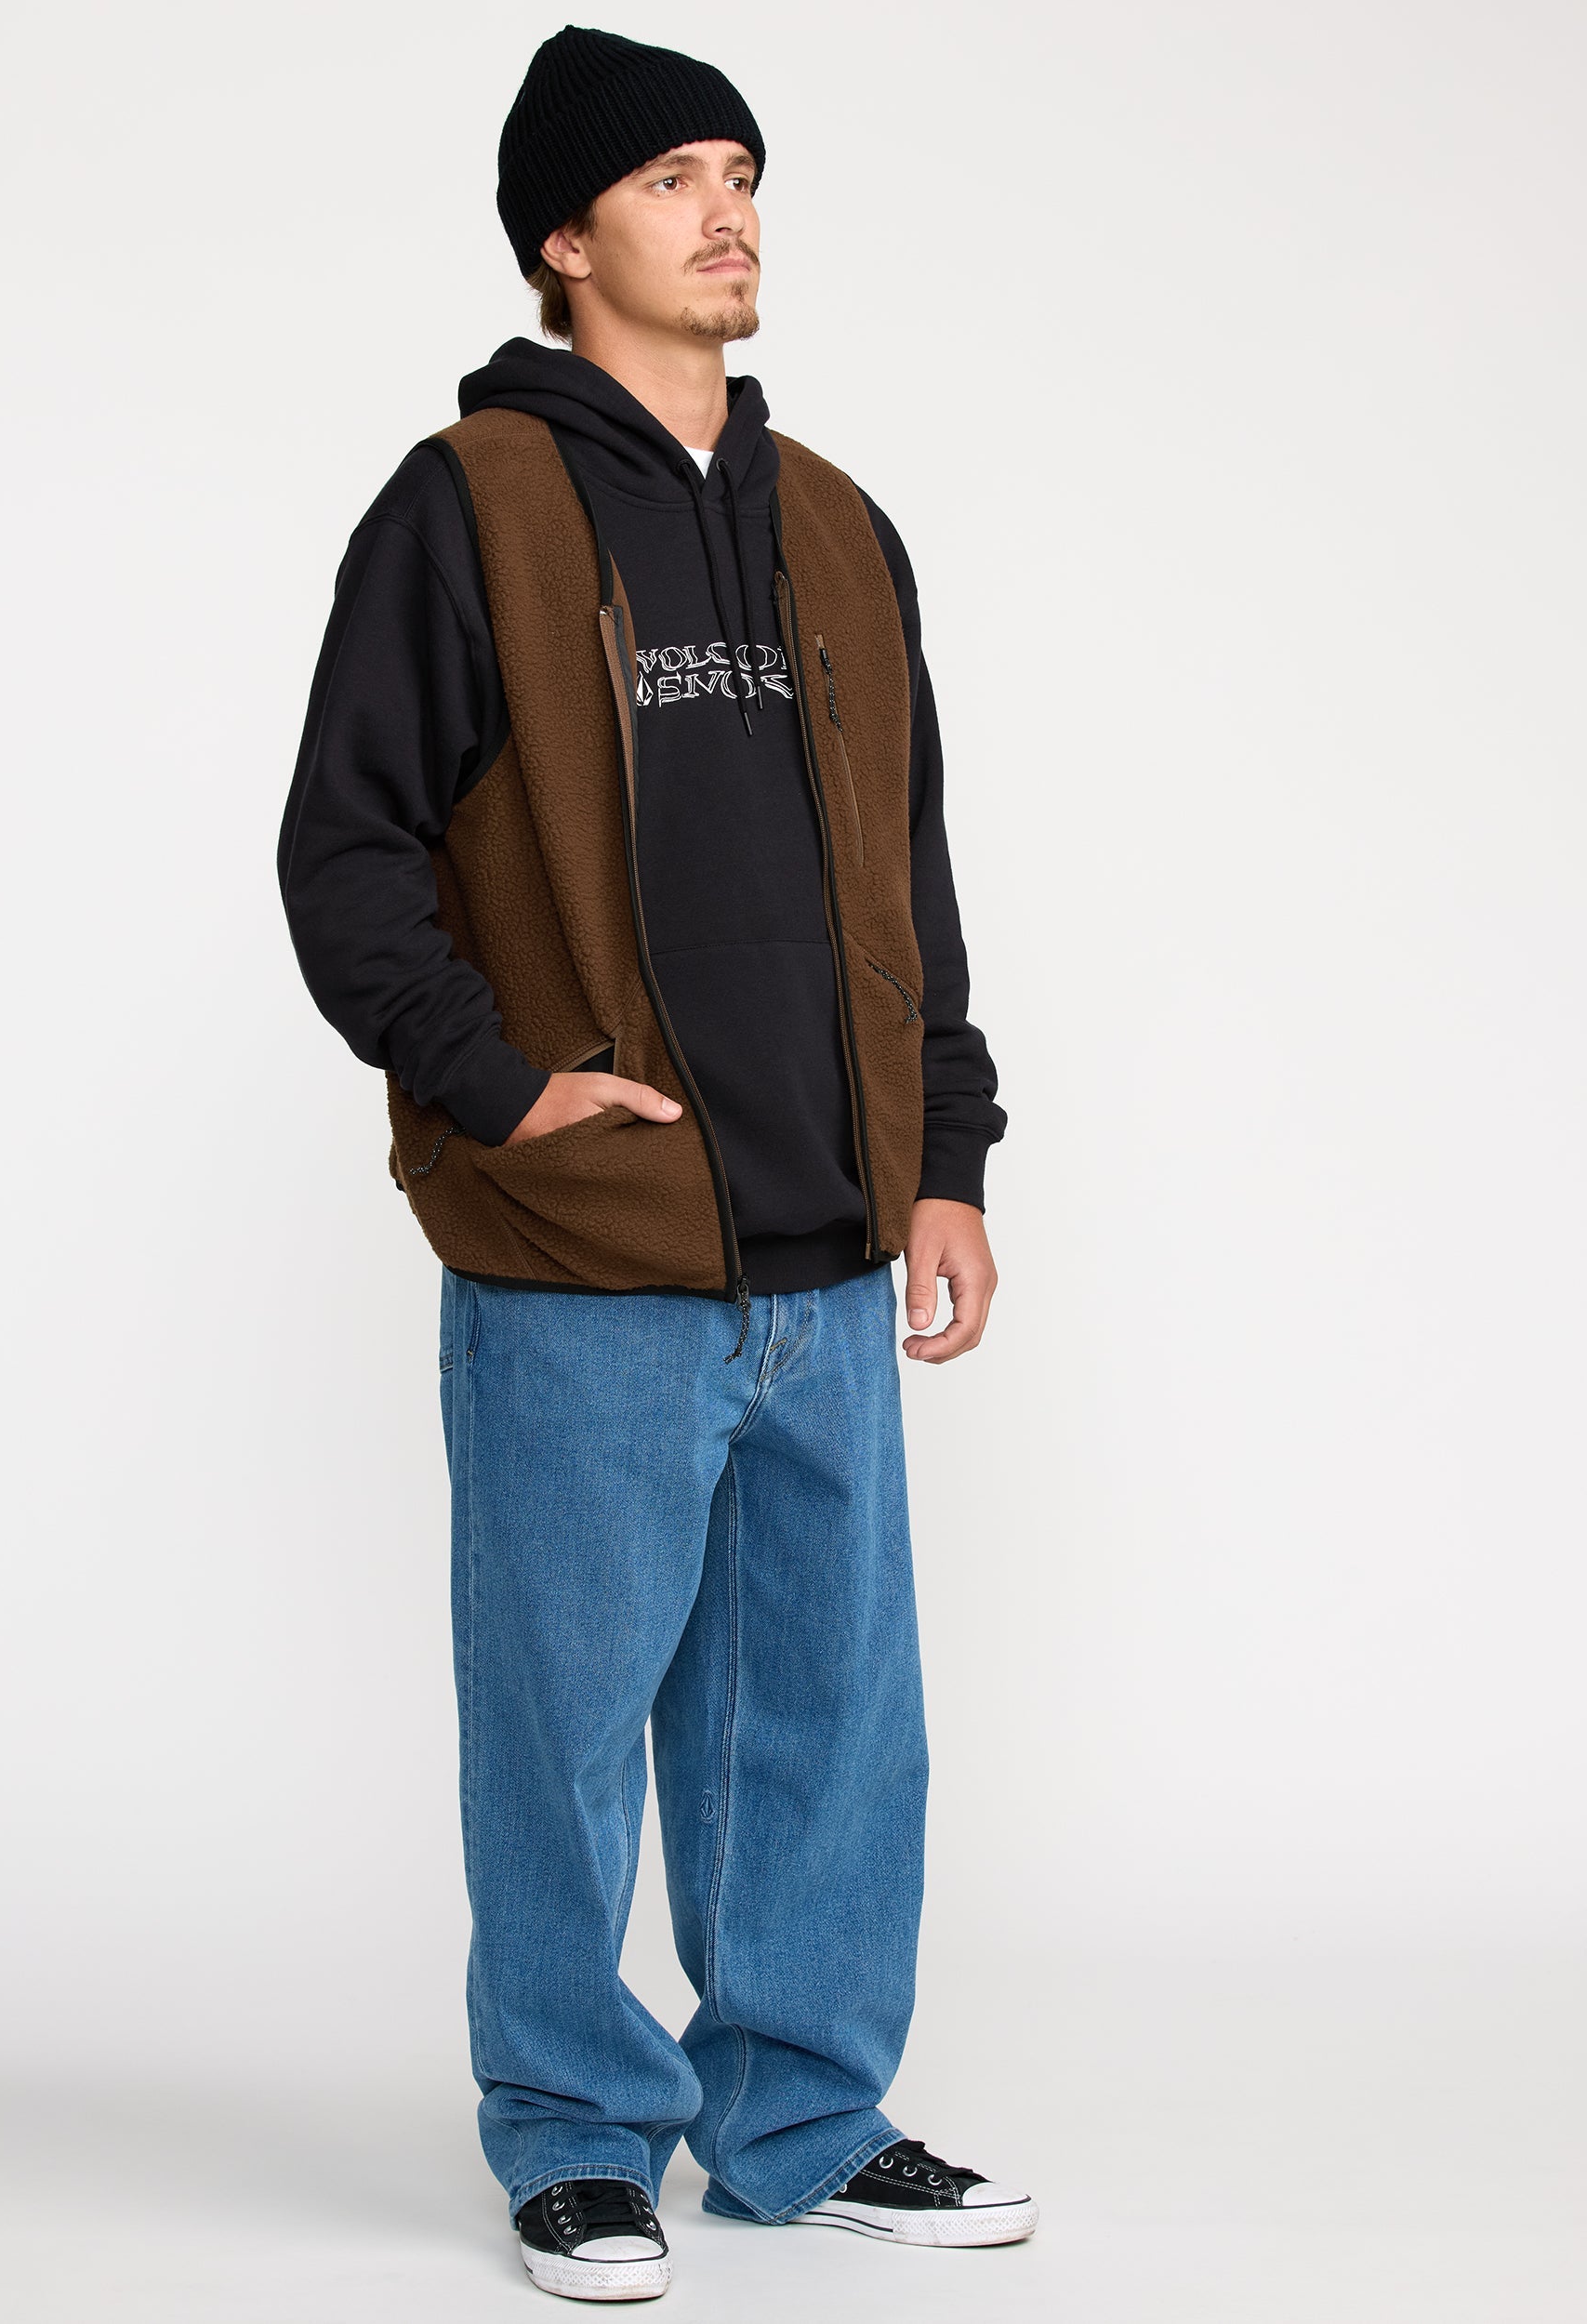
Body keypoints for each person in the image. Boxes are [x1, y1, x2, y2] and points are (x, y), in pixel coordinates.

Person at [277, 23, 1033, 2303]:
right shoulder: (465, 506)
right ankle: (573, 2130)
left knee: (826, 1730)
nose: (729, 212)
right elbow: (344, 852)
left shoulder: (838, 523)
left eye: (743, 172)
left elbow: (908, 867)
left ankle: (797, 2119)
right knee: (565, 1729)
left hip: (826, 1244)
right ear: (562, 239)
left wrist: (945, 1150)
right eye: (675, 179)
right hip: (587, 1249)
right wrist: (497, 1084)